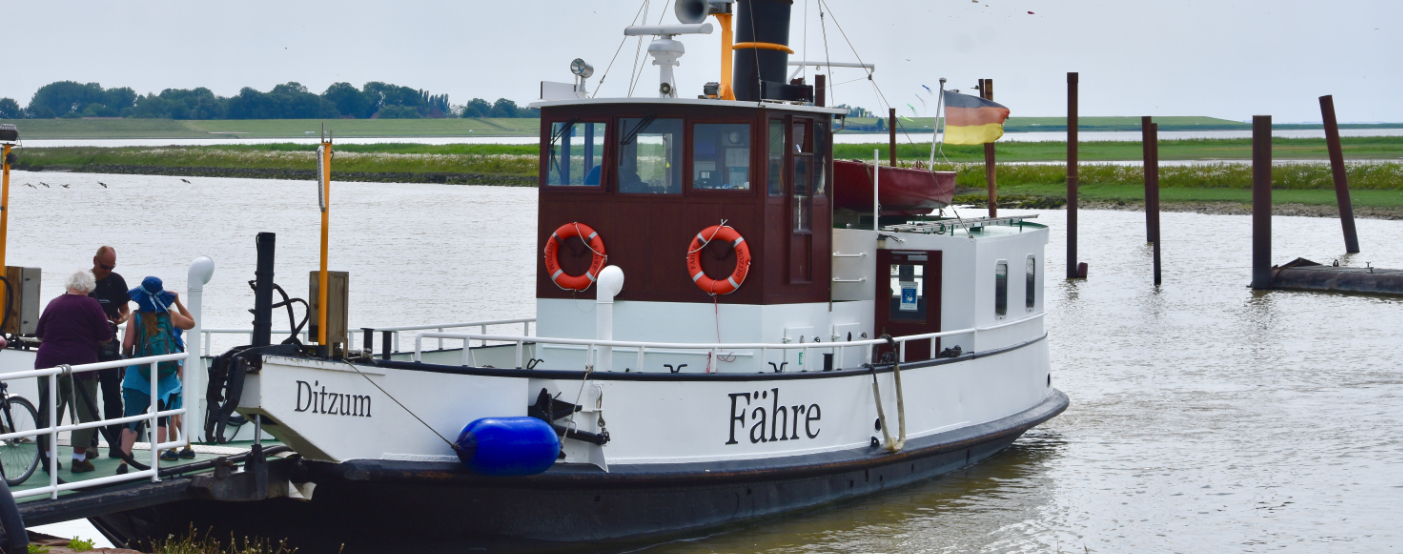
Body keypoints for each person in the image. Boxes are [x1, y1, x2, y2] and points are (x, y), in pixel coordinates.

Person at [34, 271, 115, 474]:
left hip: (48, 363)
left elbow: (39, 334)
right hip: (81, 366)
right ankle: (79, 459)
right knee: (83, 411)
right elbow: (106, 337)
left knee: (48, 411)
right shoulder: (91, 305)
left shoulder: (54, 303)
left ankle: (49, 458)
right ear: (88, 287)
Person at [115, 277, 194, 474]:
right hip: (165, 376)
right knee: (159, 420)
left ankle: (123, 463)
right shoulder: (170, 315)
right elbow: (191, 323)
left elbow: (126, 345)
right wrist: (177, 301)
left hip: (138, 375)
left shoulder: (136, 316)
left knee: (131, 419)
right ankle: (156, 463)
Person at [88, 246, 129, 459]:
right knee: (88, 397)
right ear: (95, 261)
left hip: (111, 345)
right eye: (104, 266)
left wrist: (121, 319)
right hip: (88, 346)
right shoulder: (84, 282)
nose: (107, 270)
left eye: (111, 267)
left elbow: (126, 310)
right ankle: (91, 444)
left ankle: (115, 443)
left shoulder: (116, 281)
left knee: (112, 395)